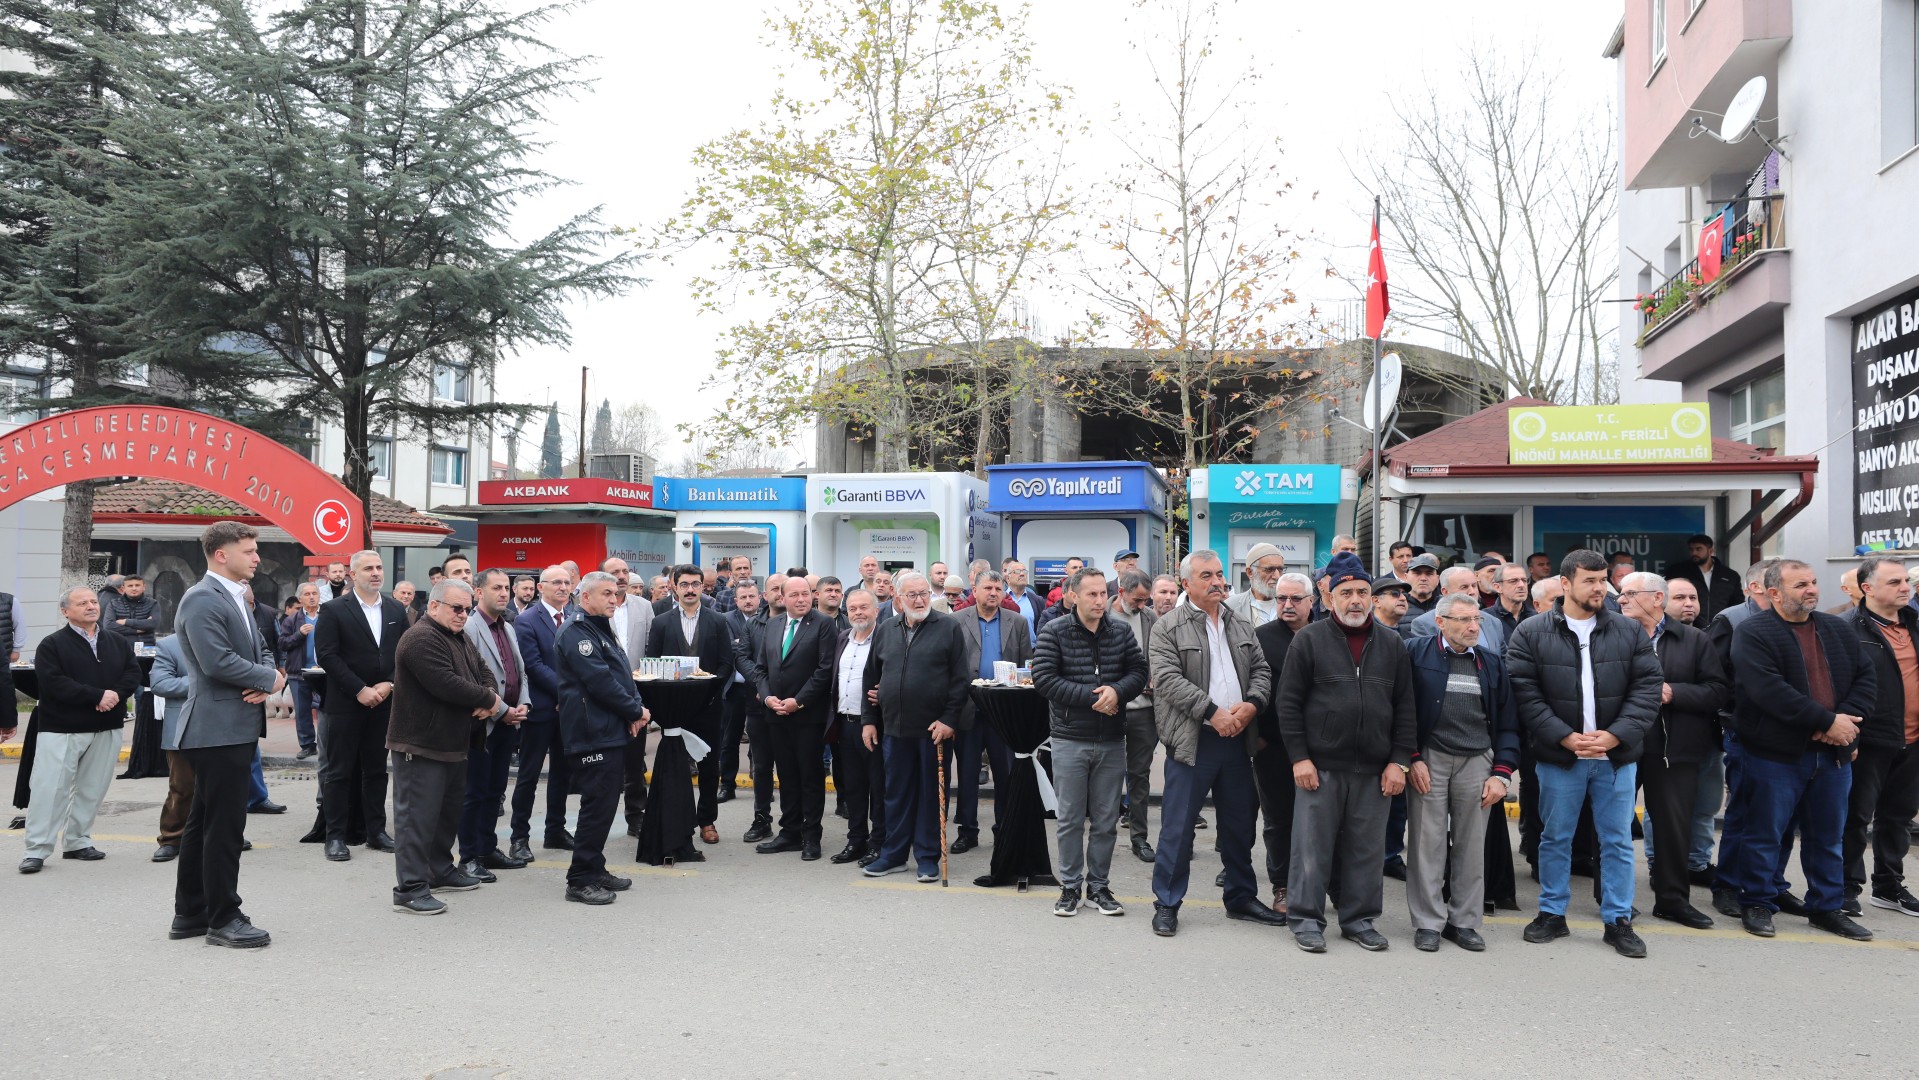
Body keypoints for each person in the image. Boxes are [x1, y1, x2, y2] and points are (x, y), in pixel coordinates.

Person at [1508, 549, 1662, 959]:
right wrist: (1563, 737)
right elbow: (1524, 692)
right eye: (1590, 581)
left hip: (1615, 759)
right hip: (1561, 758)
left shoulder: (1629, 631)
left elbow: (1647, 689)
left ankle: (1618, 920)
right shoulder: (1530, 632)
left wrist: (1615, 736)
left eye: (1603, 580)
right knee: (1555, 837)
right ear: (1565, 584)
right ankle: (1552, 913)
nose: (1600, 588)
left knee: (1616, 841)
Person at [1725, 559, 1876, 942]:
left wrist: (1844, 726)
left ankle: (1826, 908)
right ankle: (1757, 902)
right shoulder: (1753, 632)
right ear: (1774, 593)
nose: (1811, 589)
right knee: (1765, 833)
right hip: (1774, 755)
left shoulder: (1835, 628)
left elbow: (1865, 677)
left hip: (1832, 755)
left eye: (1812, 582)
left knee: (1827, 836)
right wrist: (1827, 722)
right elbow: (1768, 691)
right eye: (1800, 585)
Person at [1272, 553, 1415, 953]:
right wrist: (1299, 757)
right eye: (1346, 592)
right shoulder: (1309, 639)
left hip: (1375, 768)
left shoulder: (1392, 643)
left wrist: (1399, 761)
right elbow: (1288, 704)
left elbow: (1406, 707)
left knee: (1366, 850)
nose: (1355, 600)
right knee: (1311, 848)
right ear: (1330, 597)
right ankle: (1306, 919)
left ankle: (1358, 920)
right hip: (1320, 766)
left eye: (1362, 592)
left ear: (1372, 597)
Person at [1145, 550, 1281, 938]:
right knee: (1178, 827)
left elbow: (1261, 670)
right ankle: (1167, 903)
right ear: (1186, 583)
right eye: (1206, 576)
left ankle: (1240, 897)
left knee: (1239, 826)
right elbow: (1167, 679)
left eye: (1219, 574)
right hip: (1194, 741)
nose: (1217, 582)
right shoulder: (1168, 627)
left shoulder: (1239, 623)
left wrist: (1251, 705)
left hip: (1237, 740)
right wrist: (1212, 712)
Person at [170, 521, 284, 948]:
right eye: (249, 551)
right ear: (222, 554)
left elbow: (262, 648)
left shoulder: (234, 596)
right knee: (224, 828)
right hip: (215, 729)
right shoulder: (202, 598)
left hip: (230, 727)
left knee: (204, 824)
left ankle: (191, 913)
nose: (257, 557)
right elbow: (216, 661)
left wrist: (271, 675)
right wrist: (269, 679)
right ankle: (223, 918)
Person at [1403, 593, 1521, 951]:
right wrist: (1412, 757)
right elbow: (1401, 709)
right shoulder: (1414, 653)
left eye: (1477, 619)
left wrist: (1501, 773)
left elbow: (1509, 722)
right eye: (1464, 620)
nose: (1473, 627)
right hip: (1430, 759)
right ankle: (1428, 922)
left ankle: (1464, 922)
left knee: (1472, 846)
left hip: (1478, 761)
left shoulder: (1491, 663)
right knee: (1427, 844)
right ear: (1440, 623)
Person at [1032, 567, 1149, 917]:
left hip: (1112, 739)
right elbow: (1044, 679)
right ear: (1074, 595)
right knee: (1069, 819)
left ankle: (1098, 886)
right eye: (1092, 594)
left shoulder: (1120, 630)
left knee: (1105, 819)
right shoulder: (1054, 630)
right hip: (1069, 738)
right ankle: (1070, 886)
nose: (1100, 600)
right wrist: (1093, 696)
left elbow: (1139, 671)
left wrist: (1117, 691)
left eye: (1103, 593)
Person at [385, 580, 506, 915]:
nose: (463, 614)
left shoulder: (459, 636)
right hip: (421, 744)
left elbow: (485, 673)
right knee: (416, 819)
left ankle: (439, 870)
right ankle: (410, 889)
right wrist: (490, 701)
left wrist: (489, 696)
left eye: (467, 609)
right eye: (457, 608)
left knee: (445, 815)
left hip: (452, 742)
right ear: (434, 606)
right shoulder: (420, 638)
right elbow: (446, 684)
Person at [1616, 571, 1727, 929]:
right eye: (1621, 594)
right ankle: (1614, 901)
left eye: (1630, 593)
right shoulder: (1610, 634)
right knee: (1612, 826)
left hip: (1673, 748)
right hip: (1618, 744)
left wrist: (1673, 692)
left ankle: (1673, 901)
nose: (1621, 599)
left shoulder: (1694, 639)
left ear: (1657, 598)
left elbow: (1716, 691)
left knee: (1673, 829)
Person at [19, 586, 140, 874]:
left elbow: (133, 672)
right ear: (65, 611)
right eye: (82, 603)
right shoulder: (52, 644)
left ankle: (77, 841)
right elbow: (52, 682)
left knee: (92, 789)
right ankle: (36, 849)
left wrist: (114, 695)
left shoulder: (116, 641)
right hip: (62, 728)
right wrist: (96, 696)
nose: (90, 606)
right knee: (50, 790)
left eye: (93, 601)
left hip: (106, 726)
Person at [861, 571, 972, 882]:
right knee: (895, 794)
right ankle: (893, 855)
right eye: (912, 595)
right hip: (893, 729)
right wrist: (869, 721)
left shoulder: (948, 627)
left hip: (932, 730)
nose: (920, 600)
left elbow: (960, 680)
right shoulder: (886, 629)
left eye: (924, 593)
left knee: (930, 796)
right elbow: (870, 677)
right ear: (899, 599)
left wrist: (949, 720)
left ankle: (927, 857)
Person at [553, 571, 651, 905]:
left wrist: (635, 707)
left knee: (606, 803)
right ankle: (580, 879)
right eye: (606, 593)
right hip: (591, 731)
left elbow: (622, 674)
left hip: (608, 728)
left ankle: (594, 867)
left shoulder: (599, 628)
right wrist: (635, 711)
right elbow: (600, 682)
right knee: (597, 805)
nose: (614, 599)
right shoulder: (576, 632)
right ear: (586, 597)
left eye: (615, 593)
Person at [313, 550, 407, 862]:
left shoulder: (395, 608)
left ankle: (375, 831)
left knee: (377, 770)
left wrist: (389, 683)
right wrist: (359, 689)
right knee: (339, 771)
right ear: (353, 574)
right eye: (368, 568)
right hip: (345, 703)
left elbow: (404, 653)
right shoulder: (333, 610)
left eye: (379, 567)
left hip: (383, 702)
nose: (376, 572)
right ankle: (335, 836)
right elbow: (327, 655)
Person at [1708, 558, 1780, 917]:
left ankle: (1772, 886)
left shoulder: (1797, 619)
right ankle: (1728, 886)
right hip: (1746, 731)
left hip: (1788, 733)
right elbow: (1717, 678)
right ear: (1755, 587)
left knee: (1779, 818)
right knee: (1743, 811)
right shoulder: (1731, 620)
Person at [1847, 556, 1919, 917]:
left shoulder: (1915, 623)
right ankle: (1845, 888)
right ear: (1867, 588)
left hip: (1913, 741)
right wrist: (1850, 739)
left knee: (1898, 817)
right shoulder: (1847, 628)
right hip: (1869, 741)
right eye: (1894, 582)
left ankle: (1889, 887)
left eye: (1906, 581)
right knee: (1855, 818)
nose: (1905, 587)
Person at [646, 563, 737, 846]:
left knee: (709, 767)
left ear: (701, 587)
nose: (689, 589)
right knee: (675, 765)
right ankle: (678, 820)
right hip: (674, 708)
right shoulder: (661, 622)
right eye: (684, 584)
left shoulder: (717, 621)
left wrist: (709, 690)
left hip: (708, 706)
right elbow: (652, 665)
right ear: (674, 586)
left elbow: (726, 663)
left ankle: (707, 820)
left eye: (695, 584)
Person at [748, 575, 837, 860]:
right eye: (794, 595)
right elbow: (761, 668)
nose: (801, 599)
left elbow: (824, 670)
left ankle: (811, 836)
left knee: (810, 776)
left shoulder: (823, 624)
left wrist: (798, 702)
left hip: (807, 715)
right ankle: (789, 832)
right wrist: (768, 697)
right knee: (786, 775)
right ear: (782, 598)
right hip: (776, 714)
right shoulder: (773, 625)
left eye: (806, 594)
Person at [456, 570, 531, 883]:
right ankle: (468, 856)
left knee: (495, 790)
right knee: (474, 792)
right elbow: (470, 679)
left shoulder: (508, 627)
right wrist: (502, 711)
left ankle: (487, 849)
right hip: (481, 724)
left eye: (506, 588)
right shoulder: (469, 627)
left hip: (508, 722)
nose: (503, 593)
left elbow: (519, 672)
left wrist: (524, 703)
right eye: (496, 587)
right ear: (478, 592)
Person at [952, 570, 1033, 851]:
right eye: (988, 588)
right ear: (974, 590)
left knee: (1005, 774)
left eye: (998, 589)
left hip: (1003, 712)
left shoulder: (1017, 622)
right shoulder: (957, 621)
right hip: (968, 709)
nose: (993, 593)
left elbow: (1026, 665)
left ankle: (1004, 830)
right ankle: (967, 831)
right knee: (967, 774)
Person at [1250, 572, 1315, 913]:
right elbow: (1248, 687)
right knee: (1279, 820)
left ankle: (1330, 884)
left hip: (1320, 746)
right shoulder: (1260, 637)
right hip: (1273, 746)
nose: (1287, 605)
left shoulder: (1325, 635)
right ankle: (1283, 886)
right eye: (1281, 599)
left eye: (1295, 599)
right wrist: (1257, 737)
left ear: (1311, 601)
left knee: (1324, 820)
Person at [510, 565, 577, 860]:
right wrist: (566, 692)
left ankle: (555, 831)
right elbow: (533, 665)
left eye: (567, 582)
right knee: (529, 775)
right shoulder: (526, 620)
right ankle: (519, 838)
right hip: (540, 710)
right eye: (556, 582)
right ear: (541, 587)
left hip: (567, 712)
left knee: (562, 774)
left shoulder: (574, 617)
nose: (563, 587)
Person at [600, 557, 655, 839]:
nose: (622, 576)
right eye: (614, 572)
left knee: (635, 762)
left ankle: (636, 816)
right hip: (602, 695)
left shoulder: (644, 607)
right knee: (606, 763)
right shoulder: (597, 608)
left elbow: (650, 649)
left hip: (636, 696)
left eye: (624, 571)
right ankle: (600, 819)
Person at [829, 589, 886, 864]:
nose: (858, 613)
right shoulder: (843, 638)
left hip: (874, 724)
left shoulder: (885, 638)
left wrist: (885, 691)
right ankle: (856, 840)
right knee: (852, 786)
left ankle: (879, 843)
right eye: (852, 608)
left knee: (878, 786)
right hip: (845, 723)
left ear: (876, 610)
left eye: (864, 607)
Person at [1111, 571, 1160, 863]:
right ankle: (1102, 837)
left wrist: (1154, 679)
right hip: (1109, 710)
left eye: (1145, 600)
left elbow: (1157, 656)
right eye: (1137, 599)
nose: (1142, 605)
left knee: (1139, 776)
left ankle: (1139, 838)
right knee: (1106, 777)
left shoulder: (1149, 618)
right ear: (1121, 591)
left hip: (1144, 711)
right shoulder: (1102, 615)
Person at [732, 581, 780, 843]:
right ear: (765, 595)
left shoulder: (807, 624)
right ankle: (762, 820)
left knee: (794, 768)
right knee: (761, 767)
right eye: (775, 589)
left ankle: (794, 823)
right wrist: (764, 687)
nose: (780, 593)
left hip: (793, 707)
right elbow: (742, 658)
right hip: (758, 707)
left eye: (784, 588)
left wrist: (778, 690)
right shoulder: (753, 624)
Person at [718, 579, 764, 806]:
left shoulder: (769, 619)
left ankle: (761, 785)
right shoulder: (725, 620)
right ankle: (727, 785)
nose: (748, 600)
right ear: (736, 600)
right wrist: (750, 646)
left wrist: (743, 645)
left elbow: (768, 648)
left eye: (751, 596)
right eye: (743, 597)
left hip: (759, 689)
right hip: (734, 689)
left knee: (760, 740)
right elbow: (729, 648)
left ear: (760, 598)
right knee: (729, 740)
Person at [1407, 567, 1507, 654]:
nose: (1472, 592)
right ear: (1445, 592)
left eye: (1474, 586)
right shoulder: (1424, 624)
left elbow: (1502, 661)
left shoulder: (1493, 622)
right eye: (1464, 587)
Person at [279, 582, 323, 760]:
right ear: (300, 598)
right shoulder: (292, 620)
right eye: (307, 594)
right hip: (299, 672)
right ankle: (307, 745)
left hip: (325, 671)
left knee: (328, 709)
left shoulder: (328, 616)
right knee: (302, 711)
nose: (311, 597)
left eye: (314, 593)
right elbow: (282, 644)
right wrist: (299, 634)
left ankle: (328, 743)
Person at [1670, 534, 1745, 625]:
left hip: (1721, 627)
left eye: (1698, 549)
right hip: (1688, 626)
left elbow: (1738, 603)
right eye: (1691, 549)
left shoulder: (1730, 575)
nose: (1694, 553)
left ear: (1710, 551)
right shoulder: (1678, 572)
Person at [1225, 543, 1285, 628]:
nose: (1277, 576)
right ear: (1250, 572)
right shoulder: (1230, 607)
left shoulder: (1291, 605)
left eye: (1280, 569)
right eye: (1269, 569)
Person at [103, 573, 158, 646]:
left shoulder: (153, 603)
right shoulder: (114, 603)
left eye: (137, 585)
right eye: (130, 586)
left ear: (144, 587)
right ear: (123, 588)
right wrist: (136, 630)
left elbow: (153, 624)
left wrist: (125, 621)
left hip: (146, 646)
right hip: (120, 645)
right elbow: (108, 626)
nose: (134, 588)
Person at [1486, 563, 1530, 645]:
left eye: (1524, 580)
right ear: (1498, 587)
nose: (1521, 585)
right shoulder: (1485, 618)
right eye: (1513, 581)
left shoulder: (1536, 617)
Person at [1004, 560, 1044, 624]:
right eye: (1017, 571)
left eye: (1024, 571)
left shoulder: (1037, 600)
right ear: (1008, 578)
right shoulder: (1000, 598)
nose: (1022, 574)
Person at [1403, 553, 1441, 619]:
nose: (1423, 578)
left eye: (1429, 574)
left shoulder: (1447, 606)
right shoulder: (1396, 605)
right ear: (1406, 577)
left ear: (1437, 579)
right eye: (1417, 573)